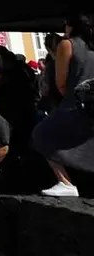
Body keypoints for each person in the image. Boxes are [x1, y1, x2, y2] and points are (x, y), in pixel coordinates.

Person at [32, 13, 94, 197]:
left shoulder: (67, 45)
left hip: (76, 102)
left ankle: (65, 181)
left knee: (41, 134)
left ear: (69, 26)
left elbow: (60, 83)